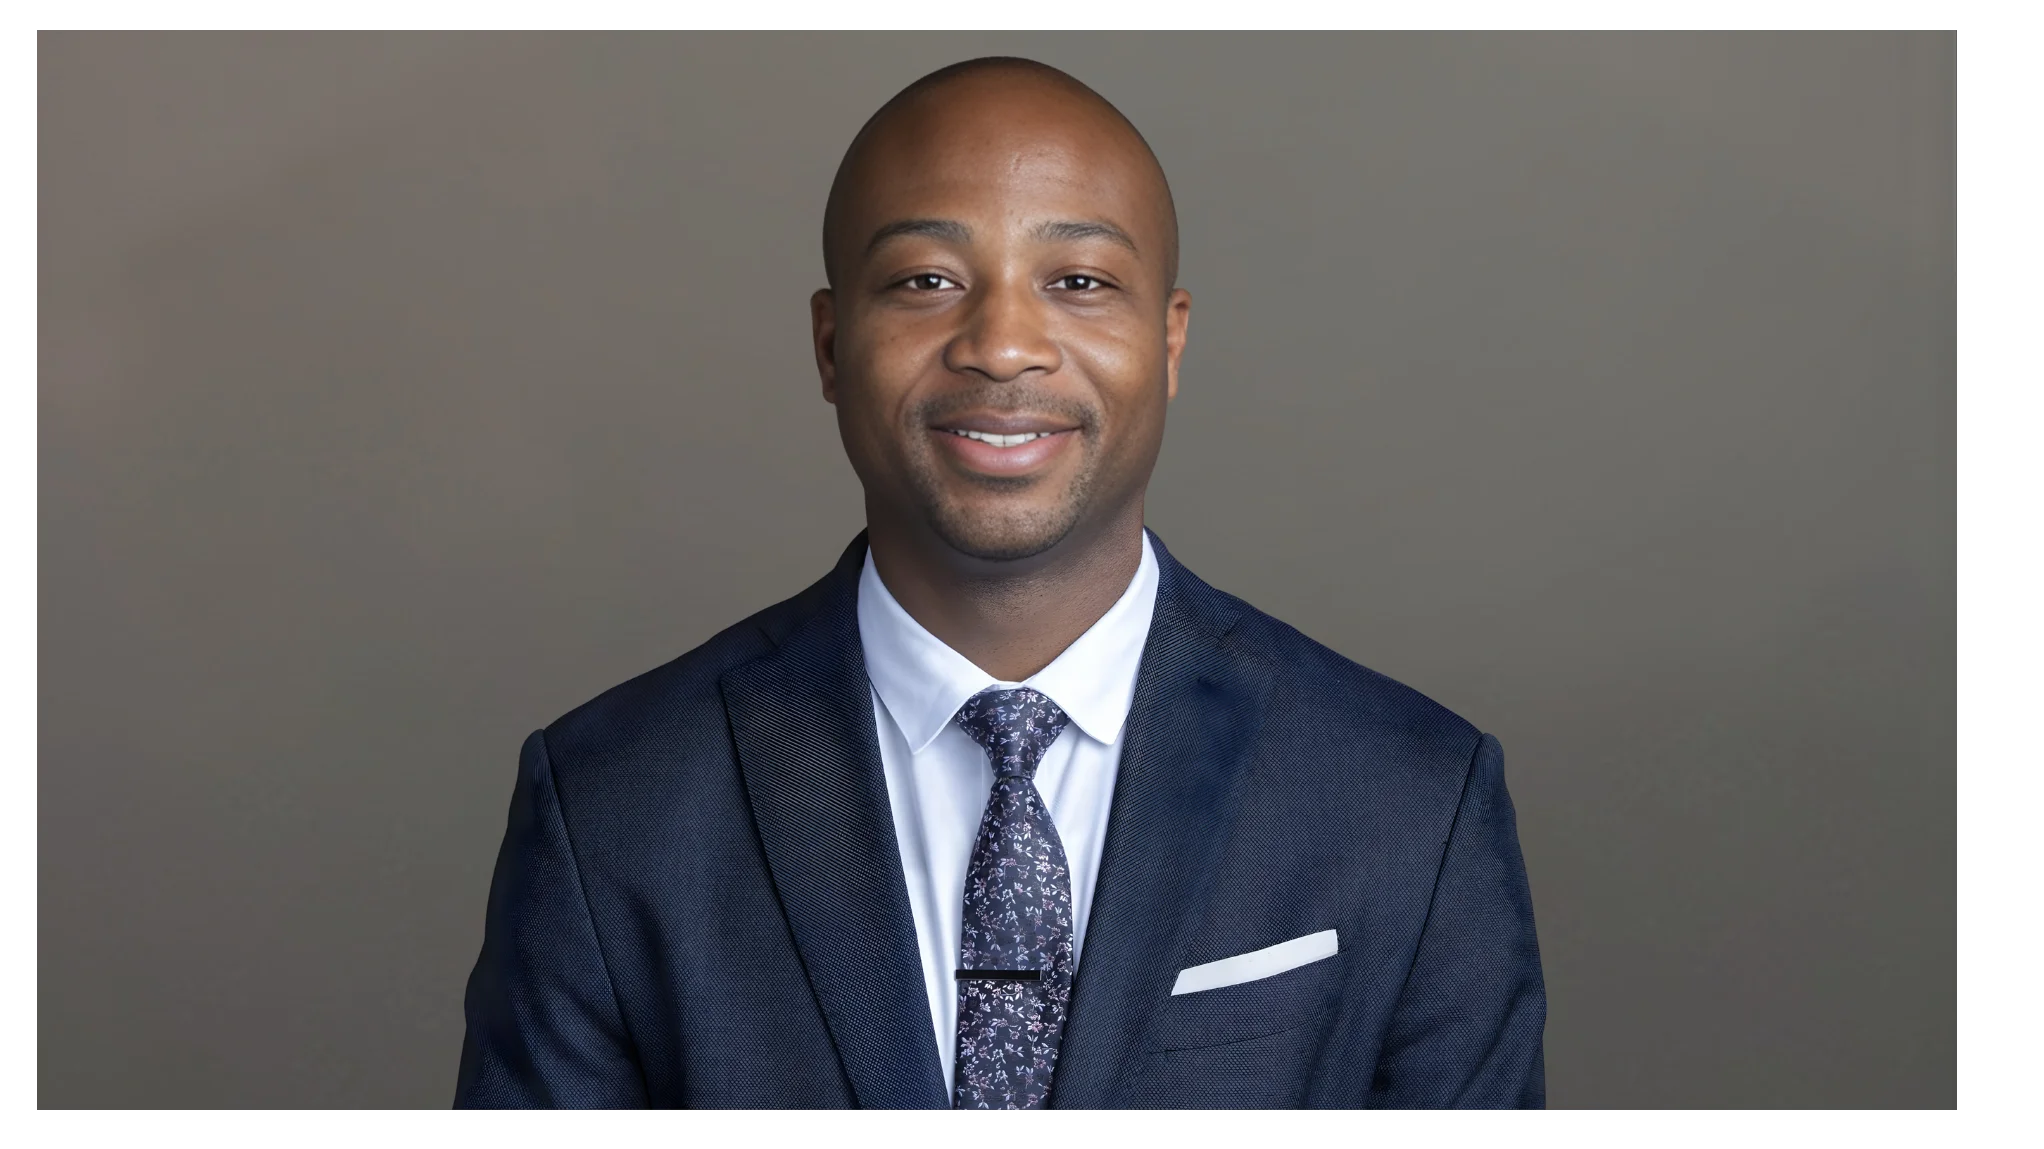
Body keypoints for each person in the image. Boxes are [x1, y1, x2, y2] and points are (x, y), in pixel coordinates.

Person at [455, 56, 1545, 1111]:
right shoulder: (613, 804)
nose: (1003, 345)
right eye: (927, 281)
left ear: (1168, 342)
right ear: (833, 347)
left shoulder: (1407, 799)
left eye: (1077, 282)